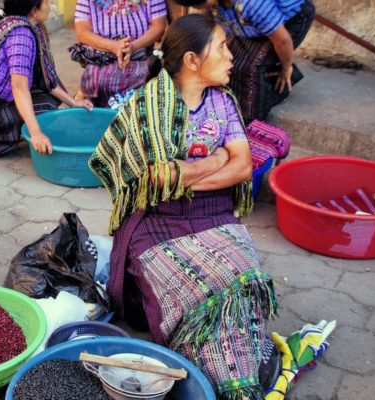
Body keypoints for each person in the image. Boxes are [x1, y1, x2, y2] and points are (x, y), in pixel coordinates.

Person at [89, 14, 278, 400]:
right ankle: (225, 371)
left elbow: (242, 166)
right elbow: (159, 179)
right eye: (222, 47)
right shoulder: (150, 104)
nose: (231, 57)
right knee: (197, 290)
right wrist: (215, 159)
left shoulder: (223, 102)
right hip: (158, 219)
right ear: (192, 60)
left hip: (213, 212)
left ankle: (231, 373)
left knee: (243, 277)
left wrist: (187, 176)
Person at [0, 0, 93, 161]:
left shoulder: (29, 25)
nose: (49, 6)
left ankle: (18, 129)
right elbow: (19, 87)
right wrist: (36, 133)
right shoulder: (21, 35)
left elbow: (46, 79)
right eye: (47, 2)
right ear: (34, 11)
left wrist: (73, 102)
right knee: (45, 111)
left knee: (48, 99)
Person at [173, 0, 315, 124]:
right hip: (257, 21)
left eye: (199, 3)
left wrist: (286, 68)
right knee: (231, 60)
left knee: (251, 66)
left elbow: (282, 40)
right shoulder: (217, 5)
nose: (198, 8)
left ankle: (252, 120)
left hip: (290, 21)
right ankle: (239, 101)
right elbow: (209, 23)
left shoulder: (252, 5)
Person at [70, 0, 167, 107]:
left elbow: (158, 27)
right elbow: (82, 32)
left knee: (151, 81)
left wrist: (133, 47)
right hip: (102, 56)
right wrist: (114, 46)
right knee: (93, 80)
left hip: (141, 53)